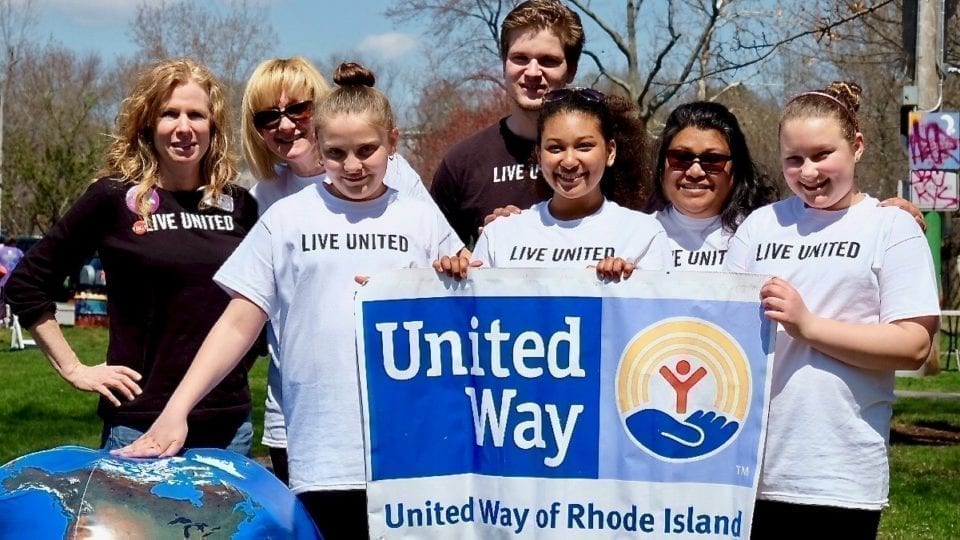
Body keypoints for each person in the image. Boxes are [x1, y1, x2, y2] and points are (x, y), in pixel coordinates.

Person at [115, 62, 464, 538]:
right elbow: (238, 322)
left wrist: (457, 271)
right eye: (338, 152)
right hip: (321, 448)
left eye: (367, 150)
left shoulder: (420, 219)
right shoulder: (286, 217)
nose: (354, 165)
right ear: (320, 145)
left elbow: (476, 306)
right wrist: (176, 412)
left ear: (394, 144)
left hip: (411, 441)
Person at [3, 59, 260, 453]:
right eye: (169, 114)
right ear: (147, 124)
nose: (183, 127)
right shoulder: (113, 199)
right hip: (139, 423)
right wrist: (74, 369)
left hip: (228, 425)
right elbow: (25, 284)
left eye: (196, 115)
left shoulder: (241, 206)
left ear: (213, 127)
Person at [724, 82, 939, 538]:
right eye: (794, 159)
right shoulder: (760, 226)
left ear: (857, 146)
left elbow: (913, 345)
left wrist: (809, 326)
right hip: (747, 469)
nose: (809, 172)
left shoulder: (891, 226)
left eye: (823, 154)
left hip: (838, 473)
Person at [241, 56, 441, 486]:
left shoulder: (394, 177)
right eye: (268, 116)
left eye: (298, 109)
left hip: (391, 407)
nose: (285, 124)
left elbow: (437, 265)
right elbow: (242, 310)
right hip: (302, 414)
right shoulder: (264, 200)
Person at [437, 87, 669, 278]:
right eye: (555, 148)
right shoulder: (500, 234)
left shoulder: (643, 234)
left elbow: (657, 323)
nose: (568, 161)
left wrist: (632, 286)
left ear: (610, 152)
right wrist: (453, 279)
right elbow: (476, 317)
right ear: (539, 155)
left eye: (584, 146)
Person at [430, 0, 585, 246]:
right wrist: (490, 245)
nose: (533, 72)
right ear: (504, 64)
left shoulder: (608, 158)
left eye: (548, 60)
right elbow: (434, 262)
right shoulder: (462, 164)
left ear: (572, 70)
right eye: (520, 58)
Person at [645, 101, 779, 271]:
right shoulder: (635, 235)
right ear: (662, 165)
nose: (695, 172)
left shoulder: (764, 234)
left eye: (712, 160)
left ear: (736, 167)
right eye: (681, 157)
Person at [0, 237, 25, 325]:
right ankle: (13, 319)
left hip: (3, 279)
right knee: (14, 300)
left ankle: (2, 319)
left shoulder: (1, 251)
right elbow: (24, 262)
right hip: (15, 279)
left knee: (2, 301)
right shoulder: (18, 251)